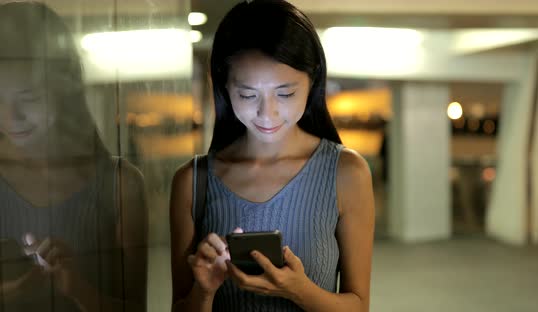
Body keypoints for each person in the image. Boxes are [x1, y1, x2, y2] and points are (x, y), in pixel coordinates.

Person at [169, 0, 375, 311]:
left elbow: (358, 306)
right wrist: (205, 290)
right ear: (224, 87)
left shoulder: (346, 172)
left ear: (313, 80)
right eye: (248, 94)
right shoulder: (193, 182)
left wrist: (299, 291)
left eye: (285, 93)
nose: (268, 113)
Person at [0, 2, 147, 311]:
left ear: (65, 89)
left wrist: (76, 287)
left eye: (30, 99)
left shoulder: (119, 184)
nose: (10, 118)